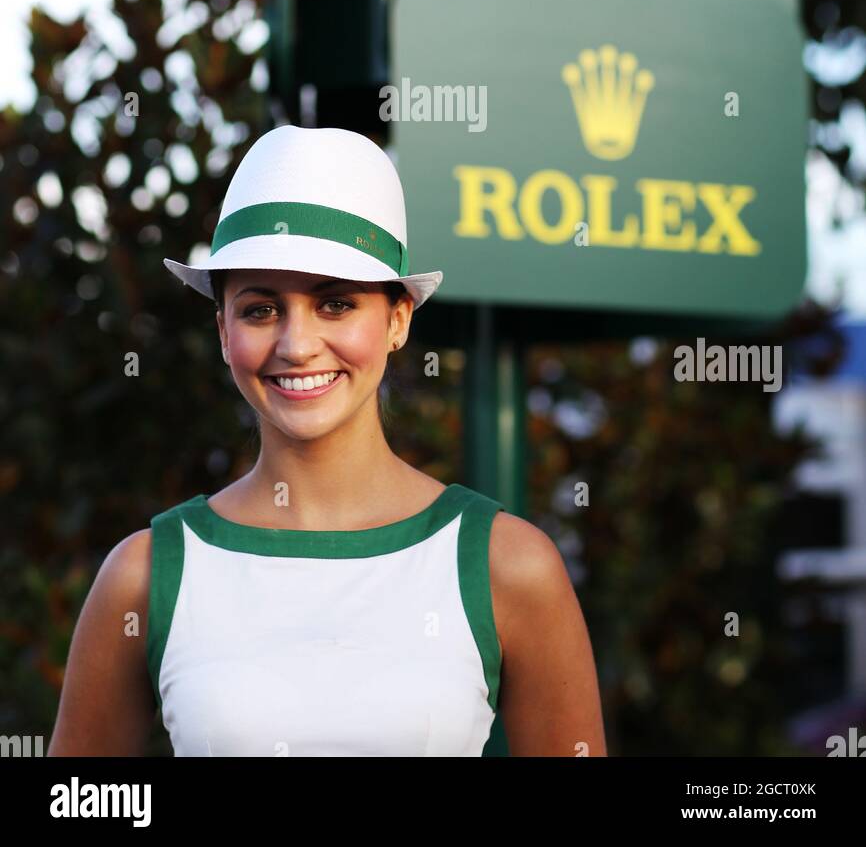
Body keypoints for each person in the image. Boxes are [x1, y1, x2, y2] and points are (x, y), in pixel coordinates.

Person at [47, 125, 606, 757]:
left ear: (397, 320)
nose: (296, 344)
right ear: (223, 330)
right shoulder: (146, 575)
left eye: (335, 304)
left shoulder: (507, 565)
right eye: (260, 309)